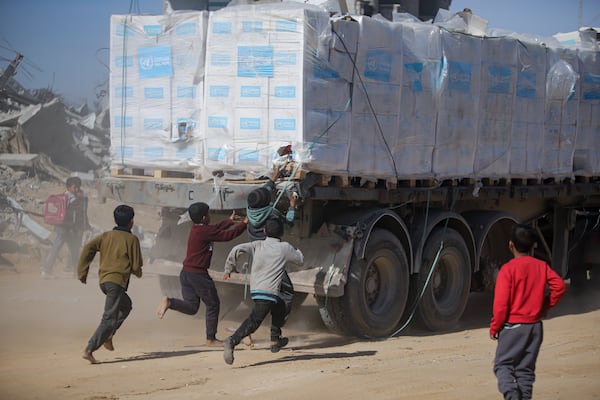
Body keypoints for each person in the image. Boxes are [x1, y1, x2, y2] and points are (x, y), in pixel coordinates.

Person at [490, 224, 566, 400]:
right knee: (525, 370)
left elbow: (501, 306)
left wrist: (495, 327)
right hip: (534, 327)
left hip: (512, 328)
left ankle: (512, 396)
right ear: (533, 246)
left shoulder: (507, 270)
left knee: (502, 366)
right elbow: (559, 286)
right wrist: (545, 306)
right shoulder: (541, 266)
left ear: (511, 245)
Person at [156, 202, 248, 347]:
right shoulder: (204, 231)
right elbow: (227, 236)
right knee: (213, 304)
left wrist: (229, 221)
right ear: (205, 217)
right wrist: (244, 224)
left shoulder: (198, 228)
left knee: (192, 307)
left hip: (186, 273)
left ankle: (170, 302)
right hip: (198, 275)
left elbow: (216, 228)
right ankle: (210, 339)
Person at [222, 217, 304, 365]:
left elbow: (236, 249)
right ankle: (232, 341)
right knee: (254, 321)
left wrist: (229, 268)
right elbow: (300, 260)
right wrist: (297, 247)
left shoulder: (257, 244)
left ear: (264, 231)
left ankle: (275, 340)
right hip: (268, 292)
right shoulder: (284, 247)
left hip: (257, 290)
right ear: (282, 233)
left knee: (280, 306)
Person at [78, 204, 143, 364]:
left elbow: (88, 248)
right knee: (108, 318)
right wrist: (138, 272)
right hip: (117, 283)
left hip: (104, 282)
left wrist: (82, 271)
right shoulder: (132, 239)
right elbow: (136, 266)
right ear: (132, 222)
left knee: (126, 306)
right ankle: (89, 349)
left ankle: (109, 335)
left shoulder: (106, 236)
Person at [42, 176, 89, 278]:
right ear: (69, 187)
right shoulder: (75, 198)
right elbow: (80, 214)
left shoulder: (61, 197)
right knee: (74, 249)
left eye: (78, 187)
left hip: (61, 227)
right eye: (75, 187)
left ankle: (46, 271)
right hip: (68, 228)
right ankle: (75, 272)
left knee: (56, 248)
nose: (77, 189)